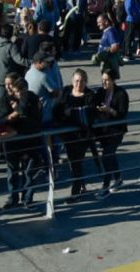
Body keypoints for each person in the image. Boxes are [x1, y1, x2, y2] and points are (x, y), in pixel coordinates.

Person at [2, 75, 44, 209]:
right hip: (13, 142)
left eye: (21, 91)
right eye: (16, 91)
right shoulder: (5, 99)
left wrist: (18, 110)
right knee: (12, 172)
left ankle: (28, 199)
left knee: (29, 173)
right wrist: (15, 113)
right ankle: (13, 198)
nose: (18, 94)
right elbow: (3, 119)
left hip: (31, 141)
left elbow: (34, 119)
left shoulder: (32, 98)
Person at [59, 68, 96, 201]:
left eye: (81, 81)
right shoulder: (66, 91)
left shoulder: (90, 95)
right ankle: (81, 186)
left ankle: (76, 191)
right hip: (68, 135)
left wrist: (72, 112)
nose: (78, 84)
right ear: (72, 81)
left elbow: (89, 113)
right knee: (73, 162)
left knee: (76, 162)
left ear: (86, 82)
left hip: (82, 136)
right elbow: (60, 109)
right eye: (76, 81)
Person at [93, 68, 129, 197]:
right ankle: (118, 179)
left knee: (107, 155)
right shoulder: (100, 92)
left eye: (107, 80)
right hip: (104, 130)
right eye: (103, 80)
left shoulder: (121, 93)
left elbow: (122, 113)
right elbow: (93, 105)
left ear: (113, 80)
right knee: (110, 155)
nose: (104, 83)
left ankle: (105, 186)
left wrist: (110, 110)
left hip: (116, 130)